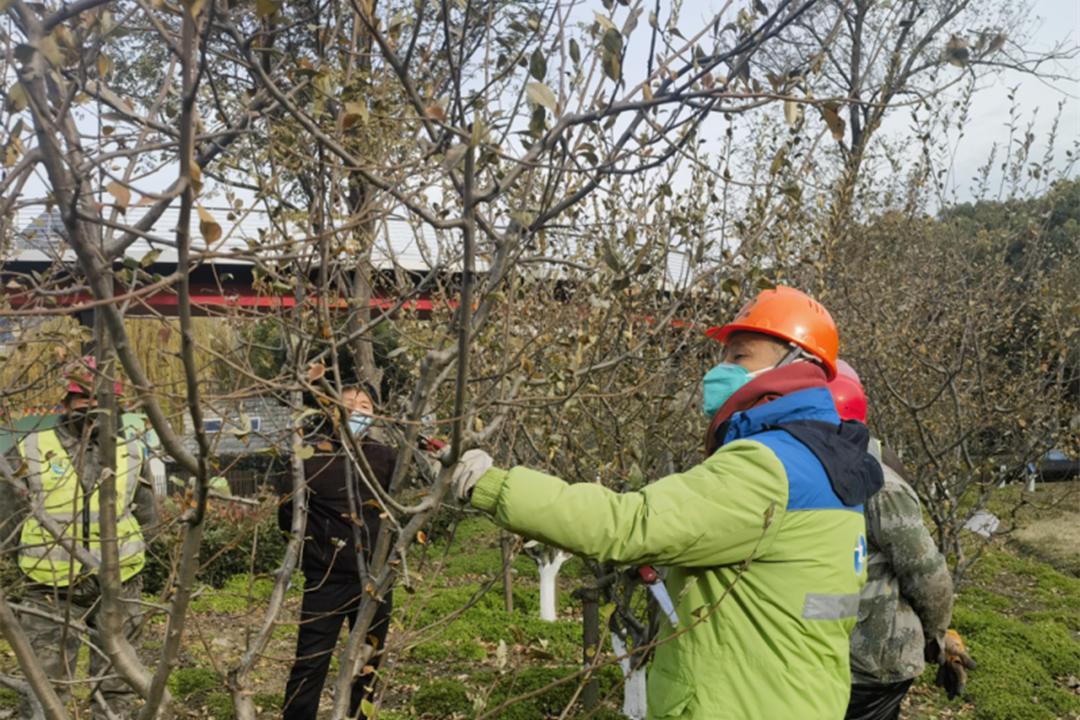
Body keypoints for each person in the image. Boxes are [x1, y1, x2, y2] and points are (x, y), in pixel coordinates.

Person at [451, 286, 884, 719]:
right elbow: (786, 589)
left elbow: (628, 524)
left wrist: (492, 485)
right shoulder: (824, 463)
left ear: (797, 364)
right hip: (794, 698)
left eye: (740, 357)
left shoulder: (766, 466)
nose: (720, 371)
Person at [0, 356, 157, 719]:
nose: (91, 407)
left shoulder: (131, 447)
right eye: (82, 398)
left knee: (117, 683)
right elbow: (7, 514)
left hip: (119, 582)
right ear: (66, 401)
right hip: (48, 586)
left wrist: (135, 555)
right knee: (45, 683)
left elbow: (148, 512)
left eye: (101, 399)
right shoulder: (31, 447)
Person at [825, 362, 975, 720]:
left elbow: (926, 574)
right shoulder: (808, 472)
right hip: (827, 653)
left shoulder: (879, 484)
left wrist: (937, 640)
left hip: (868, 663)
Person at [280, 381, 397, 720]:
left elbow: (396, 511)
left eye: (365, 407)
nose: (356, 412)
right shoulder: (308, 456)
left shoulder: (384, 458)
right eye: (347, 405)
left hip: (375, 578)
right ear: (330, 411)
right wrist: (317, 548)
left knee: (368, 662)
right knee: (311, 661)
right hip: (325, 577)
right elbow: (288, 514)